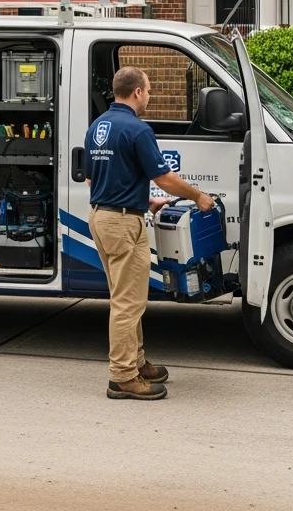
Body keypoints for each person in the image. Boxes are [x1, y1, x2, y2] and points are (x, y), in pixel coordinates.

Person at [85, 65, 216, 401]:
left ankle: (136, 362)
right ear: (138, 92)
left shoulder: (98, 127)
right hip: (123, 223)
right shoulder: (137, 129)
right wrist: (199, 196)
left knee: (126, 298)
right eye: (150, 90)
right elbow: (164, 178)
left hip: (102, 218)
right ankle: (123, 377)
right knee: (128, 304)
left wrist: (143, 200)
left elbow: (93, 178)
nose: (150, 96)